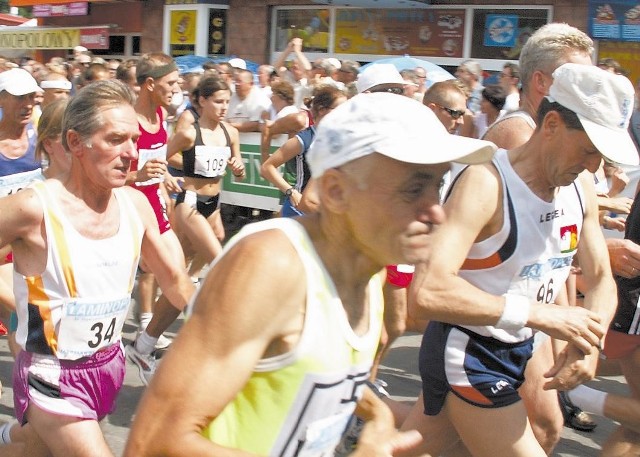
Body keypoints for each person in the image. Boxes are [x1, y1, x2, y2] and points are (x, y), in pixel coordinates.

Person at [123, 92, 497, 457]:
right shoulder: (272, 265)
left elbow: (315, 371)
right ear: (335, 192)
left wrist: (378, 414)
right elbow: (153, 442)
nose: (437, 213)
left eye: (438, 185)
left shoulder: (367, 268)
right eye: (414, 189)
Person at [399, 63, 638, 457]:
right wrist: (543, 315)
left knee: (406, 449)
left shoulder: (579, 187)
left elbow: (599, 280)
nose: (594, 166)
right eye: (589, 150)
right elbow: (426, 292)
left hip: (518, 348)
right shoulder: (486, 183)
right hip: (469, 351)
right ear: (552, 125)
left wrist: (588, 344)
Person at [0, 79, 195, 457]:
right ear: (76, 143)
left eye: (134, 141)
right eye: (115, 140)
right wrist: (11, 291)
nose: (130, 154)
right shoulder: (32, 208)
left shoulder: (136, 205)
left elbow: (175, 282)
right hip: (49, 372)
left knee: (34, 449)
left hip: (107, 366)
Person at [482, 22, 598, 445]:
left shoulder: (569, 134)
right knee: (544, 425)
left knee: (538, 426)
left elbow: (560, 238)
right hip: (491, 319)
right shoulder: (520, 132)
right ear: (541, 82)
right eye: (577, 78)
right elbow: (539, 239)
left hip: (528, 306)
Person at [125, 53, 186, 380]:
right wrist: (138, 176)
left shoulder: (161, 114)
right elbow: (99, 174)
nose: (177, 89)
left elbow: (155, 162)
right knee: (178, 284)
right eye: (171, 83)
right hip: (127, 207)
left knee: (181, 280)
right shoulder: (126, 120)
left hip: (154, 206)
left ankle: (143, 346)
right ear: (150, 84)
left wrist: (163, 178)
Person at [167, 75, 245, 286]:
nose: (224, 107)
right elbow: (161, 156)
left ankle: (180, 284)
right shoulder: (189, 133)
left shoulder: (232, 133)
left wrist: (238, 168)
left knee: (195, 247)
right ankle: (196, 294)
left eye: (227, 102)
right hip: (190, 200)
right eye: (218, 102)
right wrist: (172, 173)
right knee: (217, 257)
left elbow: (240, 172)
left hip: (214, 201)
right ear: (203, 101)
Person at [260, 84, 347, 216]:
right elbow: (267, 167)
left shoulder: (340, 139)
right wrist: (290, 192)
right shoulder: (304, 139)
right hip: (300, 210)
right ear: (322, 110)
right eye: (340, 109)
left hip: (324, 208)